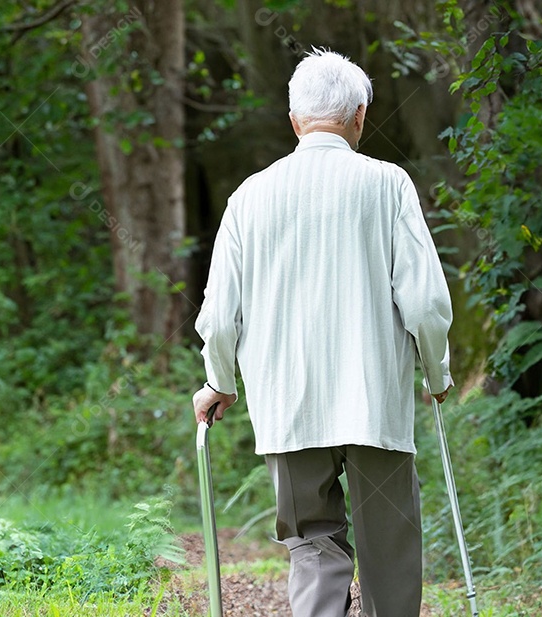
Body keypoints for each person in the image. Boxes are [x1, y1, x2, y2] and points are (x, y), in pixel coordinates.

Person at [191, 48, 454, 617]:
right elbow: (427, 302)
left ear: (294, 121)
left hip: (289, 405)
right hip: (374, 404)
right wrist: (438, 373)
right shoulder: (387, 185)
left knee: (311, 546)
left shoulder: (248, 197)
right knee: (390, 552)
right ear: (360, 115)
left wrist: (220, 381)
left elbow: (217, 316)